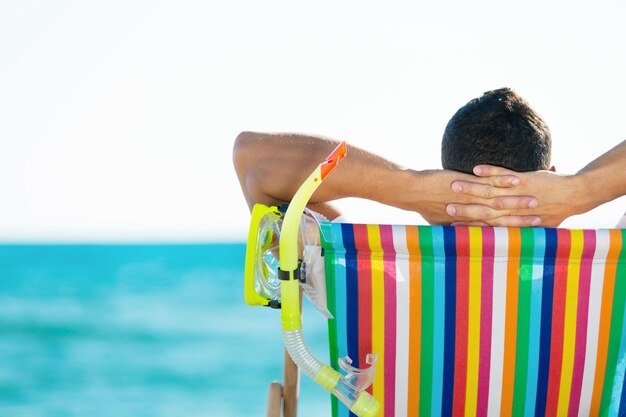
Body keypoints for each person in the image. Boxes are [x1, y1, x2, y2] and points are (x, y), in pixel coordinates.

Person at [235, 88, 548, 226]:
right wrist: (572, 191)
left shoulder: (374, 267)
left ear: (444, 179)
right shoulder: (592, 271)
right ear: (550, 178)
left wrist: (411, 187)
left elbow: (252, 158)